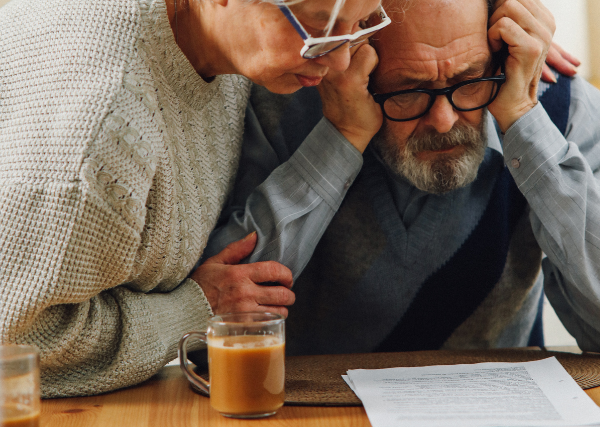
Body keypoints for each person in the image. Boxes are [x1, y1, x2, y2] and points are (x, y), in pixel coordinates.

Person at [198, 0, 600, 359]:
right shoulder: (281, 103)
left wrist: (525, 124)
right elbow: (215, 320)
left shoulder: (553, 105)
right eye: (408, 91)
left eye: (468, 80)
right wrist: (340, 140)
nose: (445, 120)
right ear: (354, 58)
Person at [0, 0, 395, 397]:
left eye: (360, 25)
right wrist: (195, 309)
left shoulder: (223, 47)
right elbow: (18, 343)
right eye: (319, 24)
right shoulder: (104, 131)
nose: (343, 61)